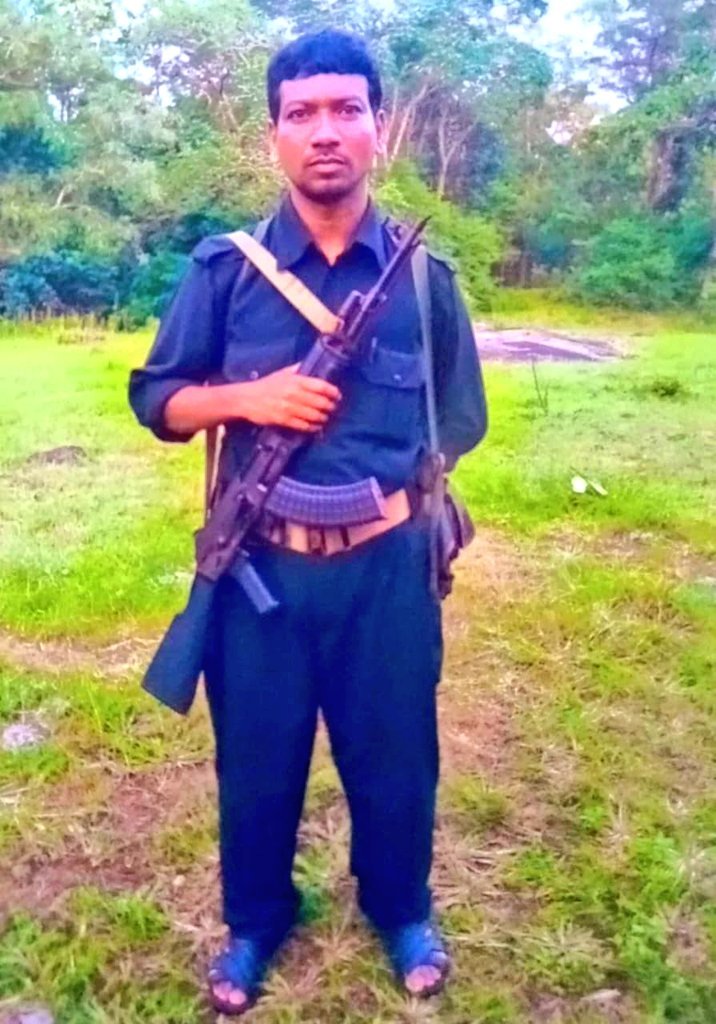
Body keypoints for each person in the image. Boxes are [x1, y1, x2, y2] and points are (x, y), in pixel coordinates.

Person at [129, 28, 487, 1017]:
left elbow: (459, 419)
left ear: (379, 128)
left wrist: (391, 498)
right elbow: (156, 397)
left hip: (387, 573)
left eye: (345, 110)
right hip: (262, 574)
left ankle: (399, 908)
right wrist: (252, 397)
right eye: (301, 113)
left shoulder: (425, 280)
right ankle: (255, 921)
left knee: (396, 754)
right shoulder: (225, 271)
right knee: (256, 760)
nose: (324, 131)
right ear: (273, 136)